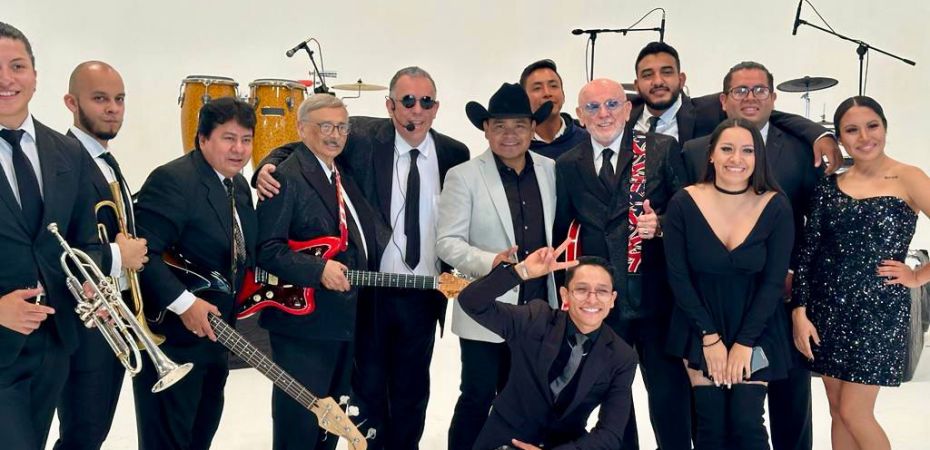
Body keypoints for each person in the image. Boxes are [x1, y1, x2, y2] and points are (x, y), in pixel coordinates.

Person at [253, 67, 469, 450]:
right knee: (365, 390)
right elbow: (304, 147)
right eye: (407, 100)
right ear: (390, 105)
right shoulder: (363, 138)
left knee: (412, 391)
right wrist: (265, 167)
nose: (416, 110)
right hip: (369, 292)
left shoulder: (454, 153)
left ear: (436, 107)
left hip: (424, 293)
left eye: (426, 102)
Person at [554, 78, 691, 450]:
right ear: (580, 116)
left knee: (668, 396)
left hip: (656, 299)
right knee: (614, 400)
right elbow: (564, 232)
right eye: (593, 107)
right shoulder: (567, 165)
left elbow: (690, 214)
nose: (604, 114)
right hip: (601, 305)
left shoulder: (659, 149)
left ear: (628, 109)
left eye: (612, 104)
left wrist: (661, 225)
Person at [791, 96, 930, 450]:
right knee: (838, 411)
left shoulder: (908, 177)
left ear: (885, 127)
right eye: (852, 130)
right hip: (827, 310)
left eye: (872, 126)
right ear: (839, 138)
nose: (864, 137)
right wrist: (800, 310)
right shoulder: (828, 186)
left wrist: (918, 276)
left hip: (878, 311)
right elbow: (808, 253)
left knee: (856, 412)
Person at [254, 94, 383, 450]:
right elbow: (266, 249)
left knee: (330, 421)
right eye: (325, 126)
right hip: (303, 325)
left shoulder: (339, 171)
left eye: (341, 127)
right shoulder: (285, 177)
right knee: (299, 426)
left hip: (340, 319)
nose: (335, 135)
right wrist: (318, 268)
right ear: (301, 129)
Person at [436, 82, 559, 450]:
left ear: (533, 128)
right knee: (477, 396)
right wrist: (492, 262)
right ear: (486, 129)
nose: (510, 135)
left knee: (525, 400)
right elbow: (447, 242)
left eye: (519, 125)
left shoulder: (551, 170)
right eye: (500, 126)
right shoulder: (463, 176)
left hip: (538, 310)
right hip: (485, 309)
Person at [0, 22, 104, 450]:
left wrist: (91, 278)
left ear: (35, 75)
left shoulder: (67, 151)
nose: (6, 79)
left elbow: (85, 240)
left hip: (53, 343)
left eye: (17, 66)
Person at [133, 96, 258, 450]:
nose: (239, 149)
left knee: (199, 439)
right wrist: (184, 303)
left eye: (246, 139)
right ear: (202, 138)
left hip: (217, 341)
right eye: (228, 138)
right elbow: (142, 256)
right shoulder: (173, 180)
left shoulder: (238, 185)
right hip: (173, 342)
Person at [665, 118, 795, 449]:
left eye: (747, 150)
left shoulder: (776, 205)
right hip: (699, 323)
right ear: (711, 154)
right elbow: (678, 277)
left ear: (758, 157)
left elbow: (773, 283)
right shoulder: (683, 202)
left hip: (757, 326)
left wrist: (744, 343)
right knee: (710, 425)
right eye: (727, 149)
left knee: (746, 422)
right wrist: (709, 337)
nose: (736, 158)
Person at [54, 60, 149, 450]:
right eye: (99, 99)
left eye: (119, 99)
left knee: (94, 430)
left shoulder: (106, 161)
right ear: (71, 102)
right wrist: (116, 255)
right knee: (83, 431)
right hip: (86, 320)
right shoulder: (63, 159)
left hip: (114, 311)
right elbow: (54, 242)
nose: (112, 109)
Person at [458, 246, 637, 450]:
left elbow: (610, 434)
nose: (592, 299)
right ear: (565, 295)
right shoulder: (536, 319)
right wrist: (521, 271)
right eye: (581, 289)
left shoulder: (622, 357)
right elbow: (471, 302)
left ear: (612, 300)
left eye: (602, 291)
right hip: (506, 439)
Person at [629, 41, 842, 181]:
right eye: (648, 75)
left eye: (667, 72)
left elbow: (759, 111)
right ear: (637, 85)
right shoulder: (621, 114)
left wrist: (819, 134)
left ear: (681, 79)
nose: (658, 81)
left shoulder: (708, 109)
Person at [519, 59, 588, 159]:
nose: (547, 93)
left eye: (553, 86)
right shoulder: (516, 147)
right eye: (537, 88)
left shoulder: (587, 138)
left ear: (563, 94)